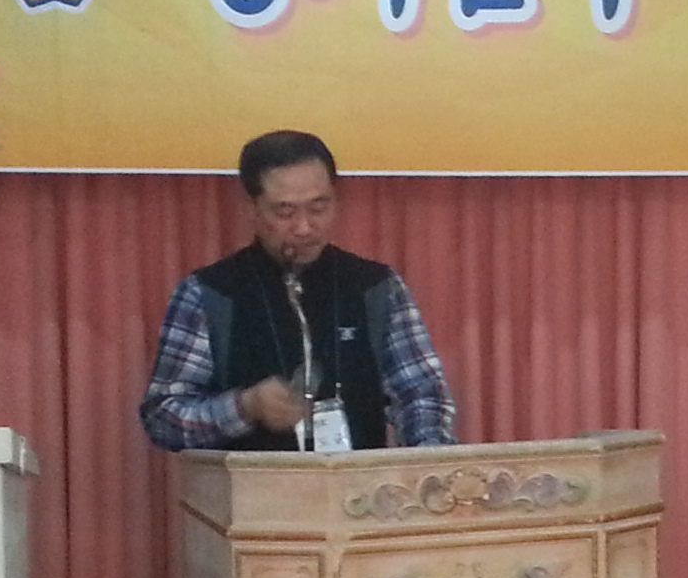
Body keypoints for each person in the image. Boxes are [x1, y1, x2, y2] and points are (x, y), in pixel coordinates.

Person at [139, 130, 456, 454]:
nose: (304, 227)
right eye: (285, 212)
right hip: (252, 485)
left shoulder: (376, 287)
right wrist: (244, 406)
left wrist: (428, 455)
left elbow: (421, 394)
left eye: (318, 208)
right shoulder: (209, 294)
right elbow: (164, 418)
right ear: (251, 208)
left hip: (356, 484)